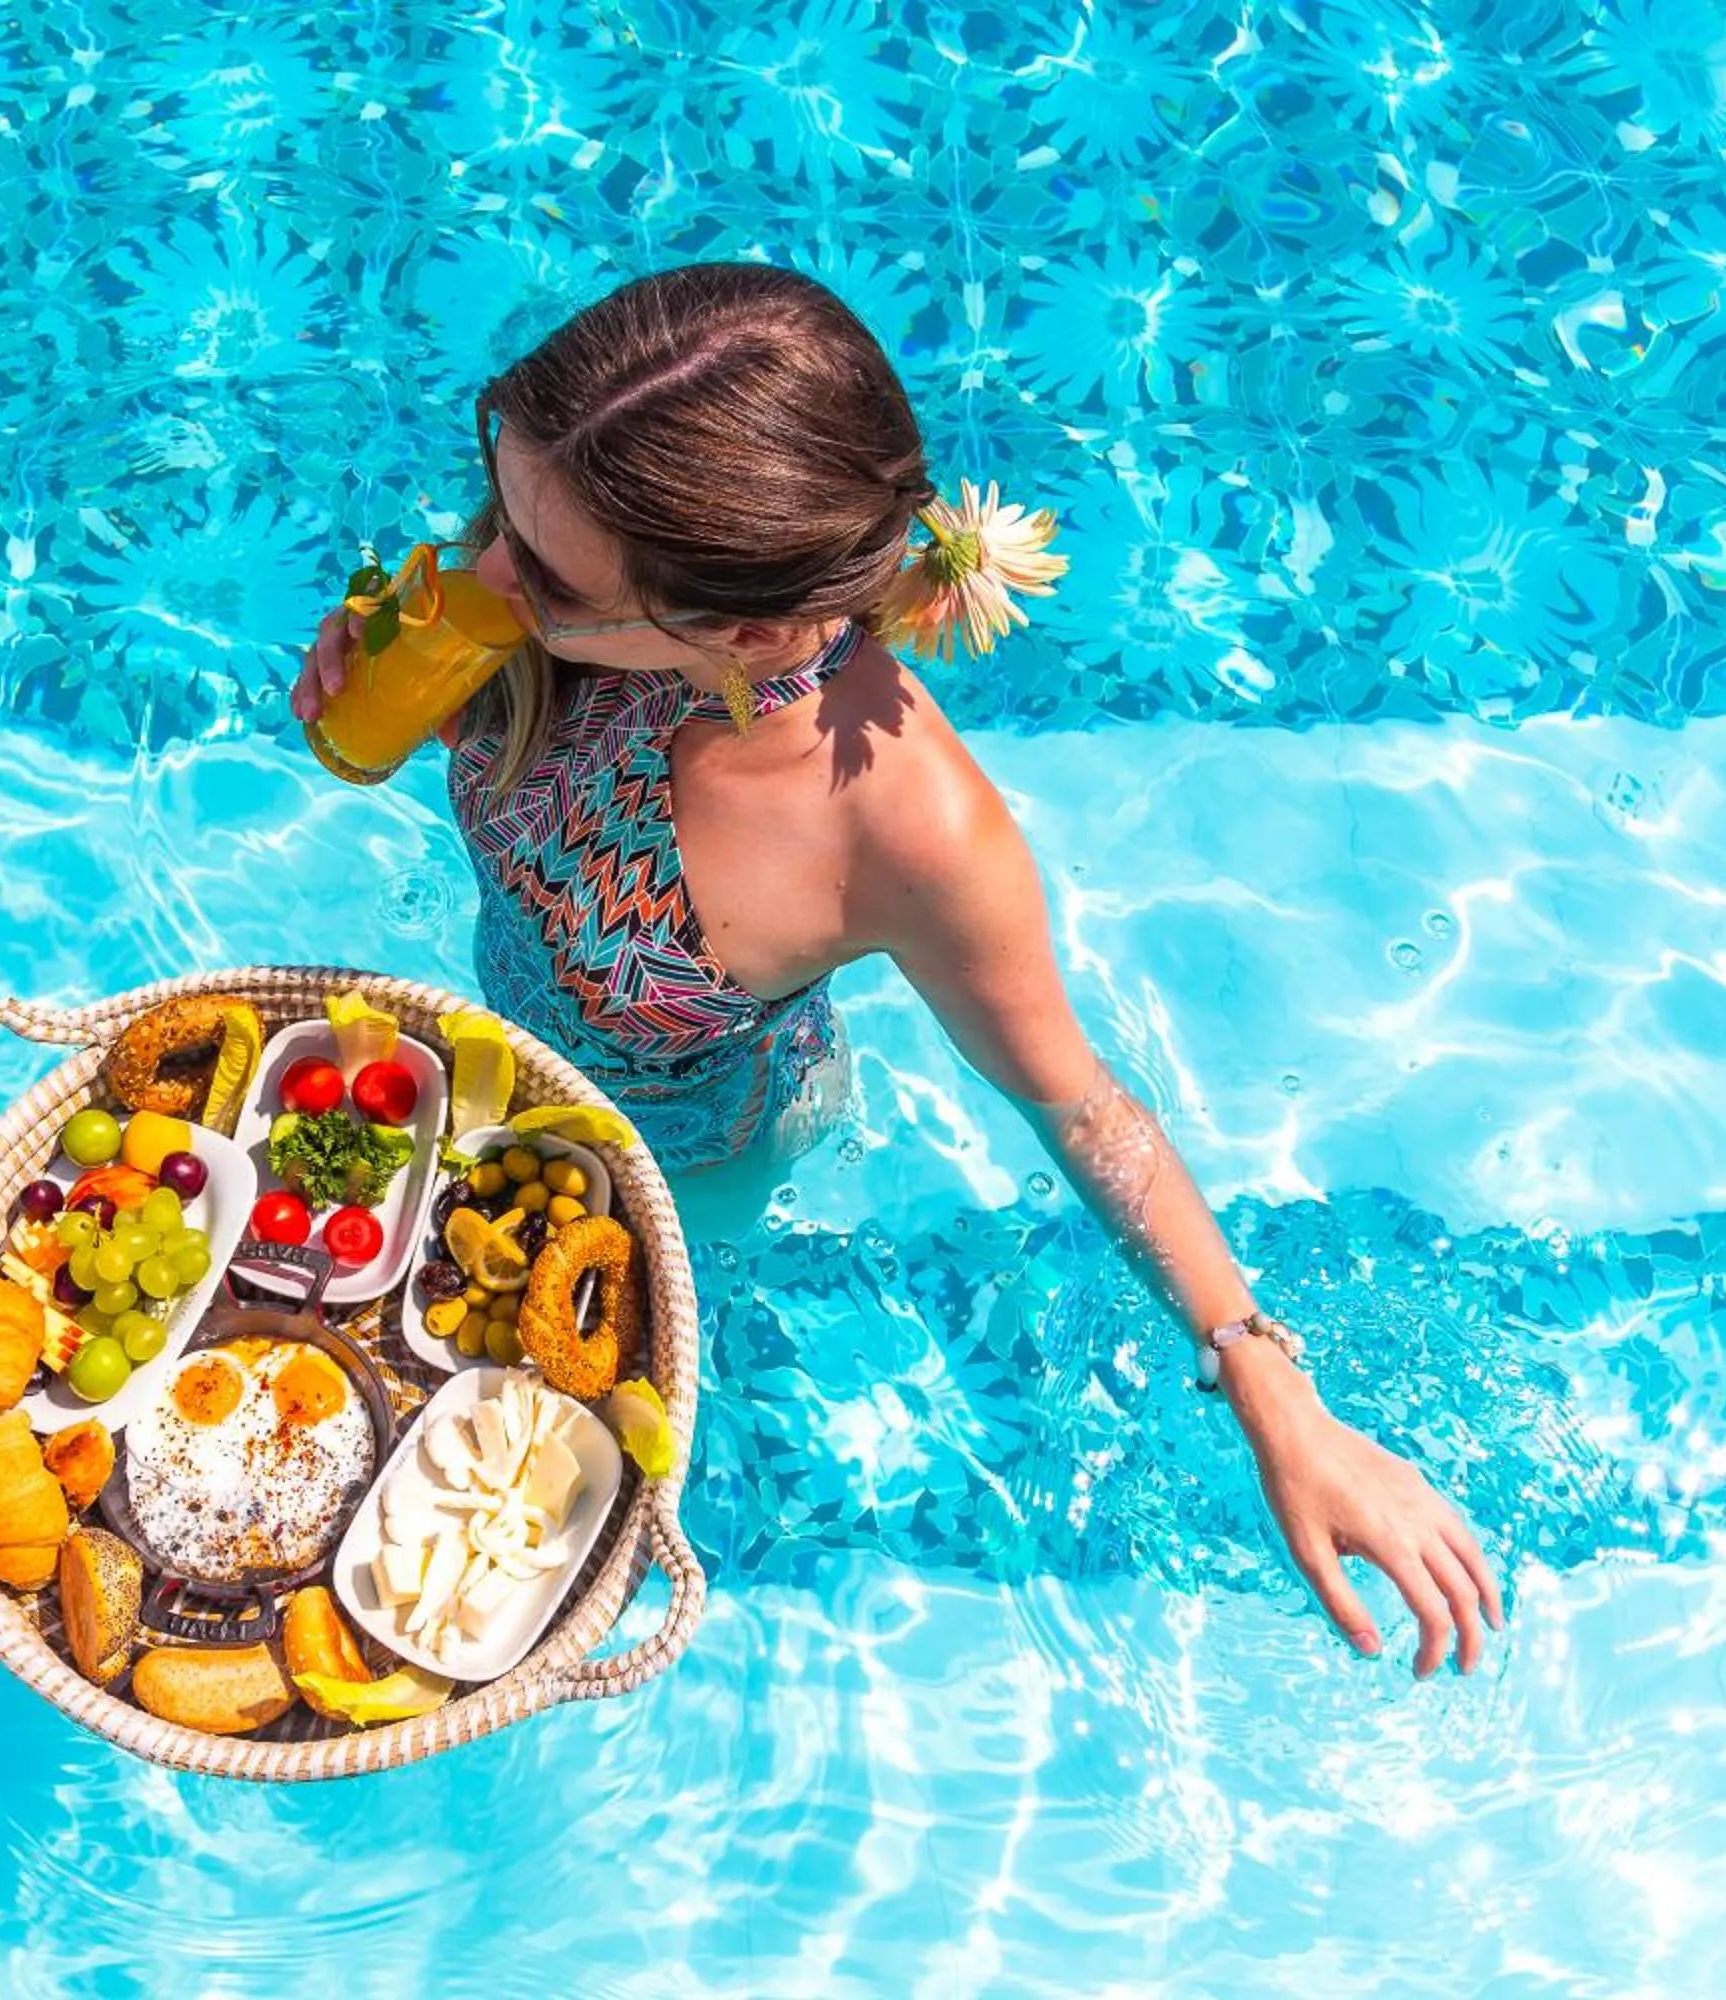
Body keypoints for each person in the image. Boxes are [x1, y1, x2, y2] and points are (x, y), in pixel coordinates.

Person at [291, 263, 1503, 1677]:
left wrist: (1264, 1379)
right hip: (513, 1016)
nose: (488, 572)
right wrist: (389, 680)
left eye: (545, 578)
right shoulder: (566, 547)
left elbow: (1081, 1105)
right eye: (500, 514)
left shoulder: (906, 832)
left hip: (689, 1144)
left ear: (745, 633)